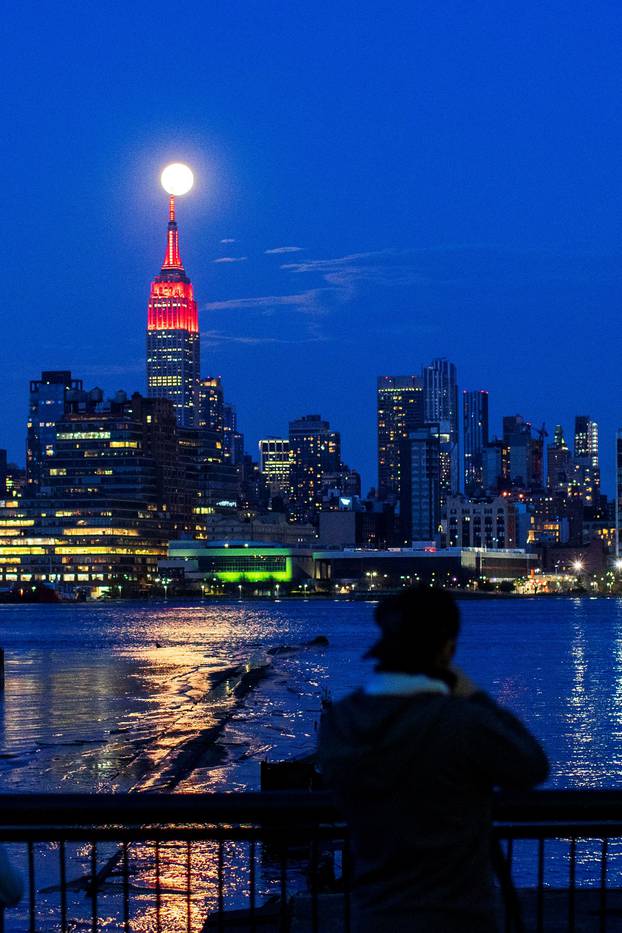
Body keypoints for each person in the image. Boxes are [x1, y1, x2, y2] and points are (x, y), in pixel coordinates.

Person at [317, 586, 549, 933]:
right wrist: (474, 695)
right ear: (447, 649)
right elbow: (531, 766)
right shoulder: (462, 722)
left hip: (375, 916)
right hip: (459, 917)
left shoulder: (340, 722)